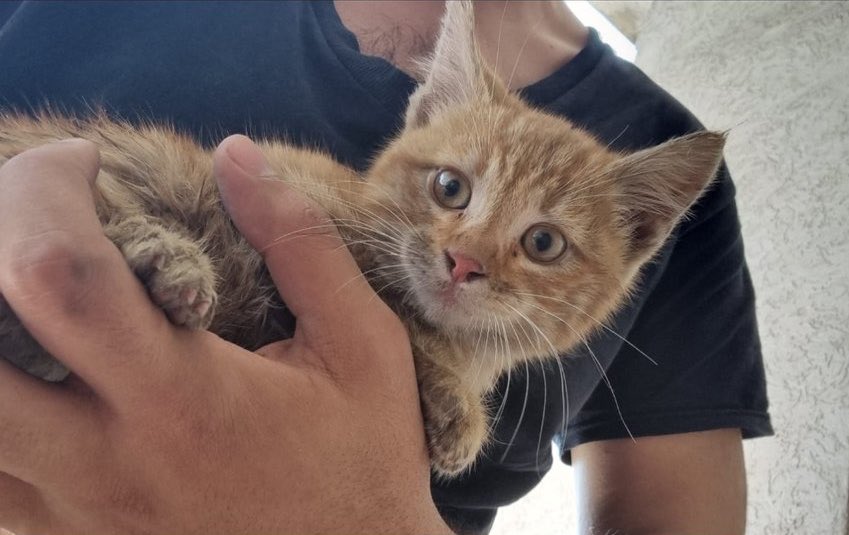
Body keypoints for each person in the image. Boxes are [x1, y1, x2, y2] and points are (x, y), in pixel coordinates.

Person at [0, 1, 772, 534]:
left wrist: (373, 519)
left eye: (541, 244)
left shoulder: (656, 146)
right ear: (427, 112)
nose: (467, 255)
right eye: (450, 190)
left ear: (639, 234)